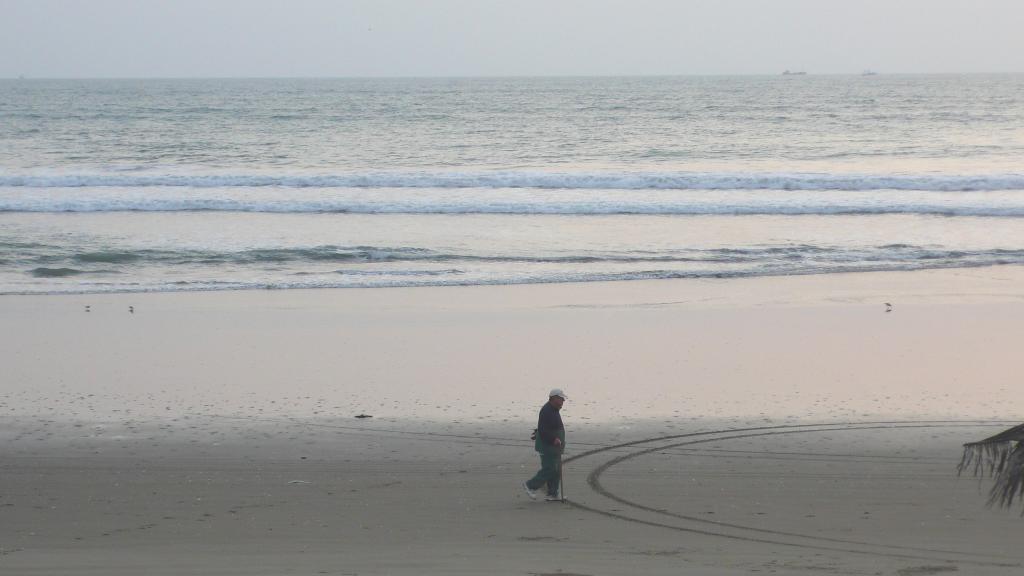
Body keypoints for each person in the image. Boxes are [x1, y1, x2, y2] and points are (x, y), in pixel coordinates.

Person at [523, 388, 567, 502]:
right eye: (561, 399)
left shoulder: (554, 409)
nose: (563, 401)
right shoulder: (547, 410)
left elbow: (546, 426)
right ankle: (530, 485)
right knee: (550, 468)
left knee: (556, 470)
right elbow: (543, 430)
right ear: (554, 398)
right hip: (547, 445)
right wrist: (554, 439)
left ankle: (552, 494)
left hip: (554, 446)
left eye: (563, 399)